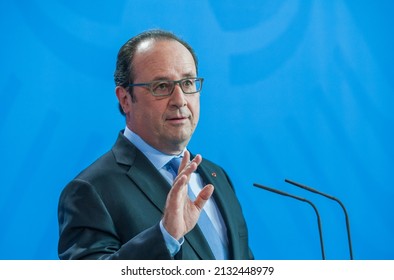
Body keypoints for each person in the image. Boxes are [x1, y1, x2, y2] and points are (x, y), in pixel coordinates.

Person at [58, 29, 253, 260]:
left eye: (188, 82)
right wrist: (166, 237)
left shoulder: (216, 176)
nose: (180, 100)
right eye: (161, 86)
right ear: (125, 99)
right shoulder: (90, 190)